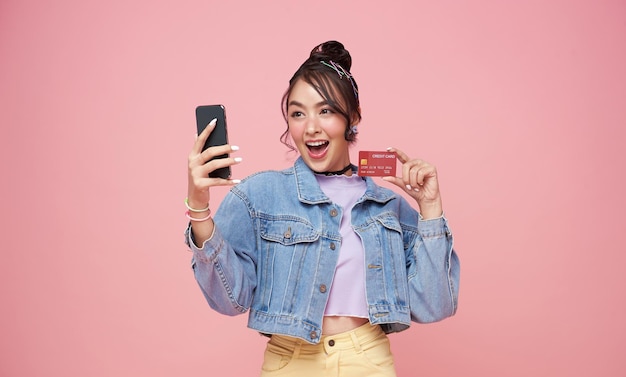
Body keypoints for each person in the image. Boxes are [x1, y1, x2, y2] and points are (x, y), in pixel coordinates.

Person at [184, 40, 460, 377]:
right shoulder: (259, 194)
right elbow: (230, 300)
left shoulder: (388, 205)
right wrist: (198, 208)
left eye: (325, 110)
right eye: (298, 113)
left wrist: (431, 209)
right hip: (290, 361)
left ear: (353, 116)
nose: (311, 126)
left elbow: (435, 305)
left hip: (367, 360)